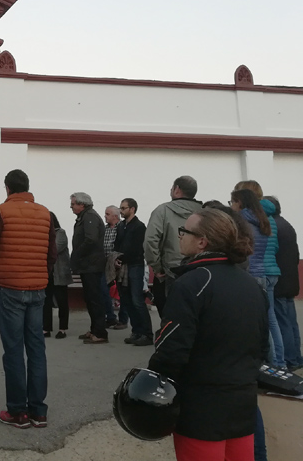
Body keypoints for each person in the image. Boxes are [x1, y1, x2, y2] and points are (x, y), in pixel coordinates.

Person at [148, 209, 268, 461]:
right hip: (242, 405)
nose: (179, 236)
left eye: (184, 231)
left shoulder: (192, 284)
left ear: (202, 241)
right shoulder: (251, 285)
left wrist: (154, 387)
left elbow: (172, 351)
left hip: (201, 408)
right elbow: (261, 347)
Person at [0, 169, 55, 428]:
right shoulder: (45, 213)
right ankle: (39, 411)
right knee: (36, 349)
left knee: (13, 350)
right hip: (38, 288)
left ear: (7, 188)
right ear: (27, 187)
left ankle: (17, 412)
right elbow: (52, 254)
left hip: (10, 288)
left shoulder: (2, 210)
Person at [230, 189, 285, 368]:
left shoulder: (242, 221)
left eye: (232, 202)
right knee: (271, 320)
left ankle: (269, 362)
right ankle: (279, 362)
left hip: (251, 273)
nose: (231, 206)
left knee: (259, 322)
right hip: (264, 272)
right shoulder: (264, 219)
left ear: (239, 202)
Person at [144, 176, 202, 317]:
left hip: (170, 271)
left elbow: (150, 240)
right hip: (201, 268)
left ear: (177, 190)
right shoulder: (204, 212)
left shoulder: (162, 210)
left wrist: (156, 267)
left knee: (172, 314)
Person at [265, 196, 303, 371]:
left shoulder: (272, 227)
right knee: (291, 322)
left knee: (282, 323)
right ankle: (295, 357)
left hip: (279, 281)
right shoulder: (287, 225)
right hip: (291, 279)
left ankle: (288, 359)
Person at [70, 192, 108, 344]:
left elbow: (90, 240)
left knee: (94, 299)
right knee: (90, 298)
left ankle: (100, 332)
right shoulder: (86, 216)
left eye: (73, 204)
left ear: (82, 204)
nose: (71, 206)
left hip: (91, 264)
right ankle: (94, 329)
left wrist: (77, 253)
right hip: (88, 265)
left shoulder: (90, 216)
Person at [113, 198, 153, 346]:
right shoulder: (121, 226)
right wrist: (116, 258)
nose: (121, 211)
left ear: (132, 209)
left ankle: (147, 334)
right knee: (127, 300)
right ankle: (136, 331)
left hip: (135, 265)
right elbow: (117, 244)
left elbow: (137, 249)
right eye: (120, 208)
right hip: (123, 266)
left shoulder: (139, 227)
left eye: (124, 208)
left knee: (137, 300)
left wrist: (122, 258)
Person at [42, 212, 71, 339]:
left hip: (59, 273)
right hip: (47, 273)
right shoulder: (43, 234)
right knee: (45, 302)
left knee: (62, 301)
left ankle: (62, 328)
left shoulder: (60, 233)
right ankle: (46, 328)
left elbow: (56, 248)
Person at [103, 205, 127, 330]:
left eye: (107, 214)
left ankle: (123, 320)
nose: (105, 216)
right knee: (104, 291)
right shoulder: (105, 228)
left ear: (115, 216)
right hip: (105, 264)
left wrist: (119, 260)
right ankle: (110, 317)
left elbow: (124, 245)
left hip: (119, 263)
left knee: (122, 292)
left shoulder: (122, 228)